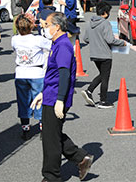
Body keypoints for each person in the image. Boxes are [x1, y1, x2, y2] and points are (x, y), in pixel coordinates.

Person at [30, 12, 93, 182]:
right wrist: (43, 93)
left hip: (57, 98)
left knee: (50, 139)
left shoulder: (63, 45)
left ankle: (51, 177)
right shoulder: (57, 43)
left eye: (46, 25)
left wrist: (59, 99)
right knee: (53, 134)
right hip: (51, 94)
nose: (44, 29)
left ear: (56, 27)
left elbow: (64, 75)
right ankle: (81, 158)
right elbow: (54, 75)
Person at [12, 14, 52, 140]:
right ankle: (42, 127)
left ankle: (25, 127)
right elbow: (51, 44)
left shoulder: (15, 39)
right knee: (39, 100)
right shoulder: (38, 39)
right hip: (36, 72)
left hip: (21, 72)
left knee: (23, 100)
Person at [82, 1, 127, 109]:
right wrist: (123, 43)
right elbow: (110, 39)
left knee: (102, 75)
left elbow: (86, 39)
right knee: (105, 77)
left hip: (94, 53)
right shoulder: (105, 23)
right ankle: (102, 100)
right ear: (106, 13)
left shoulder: (90, 22)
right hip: (105, 54)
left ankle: (89, 91)